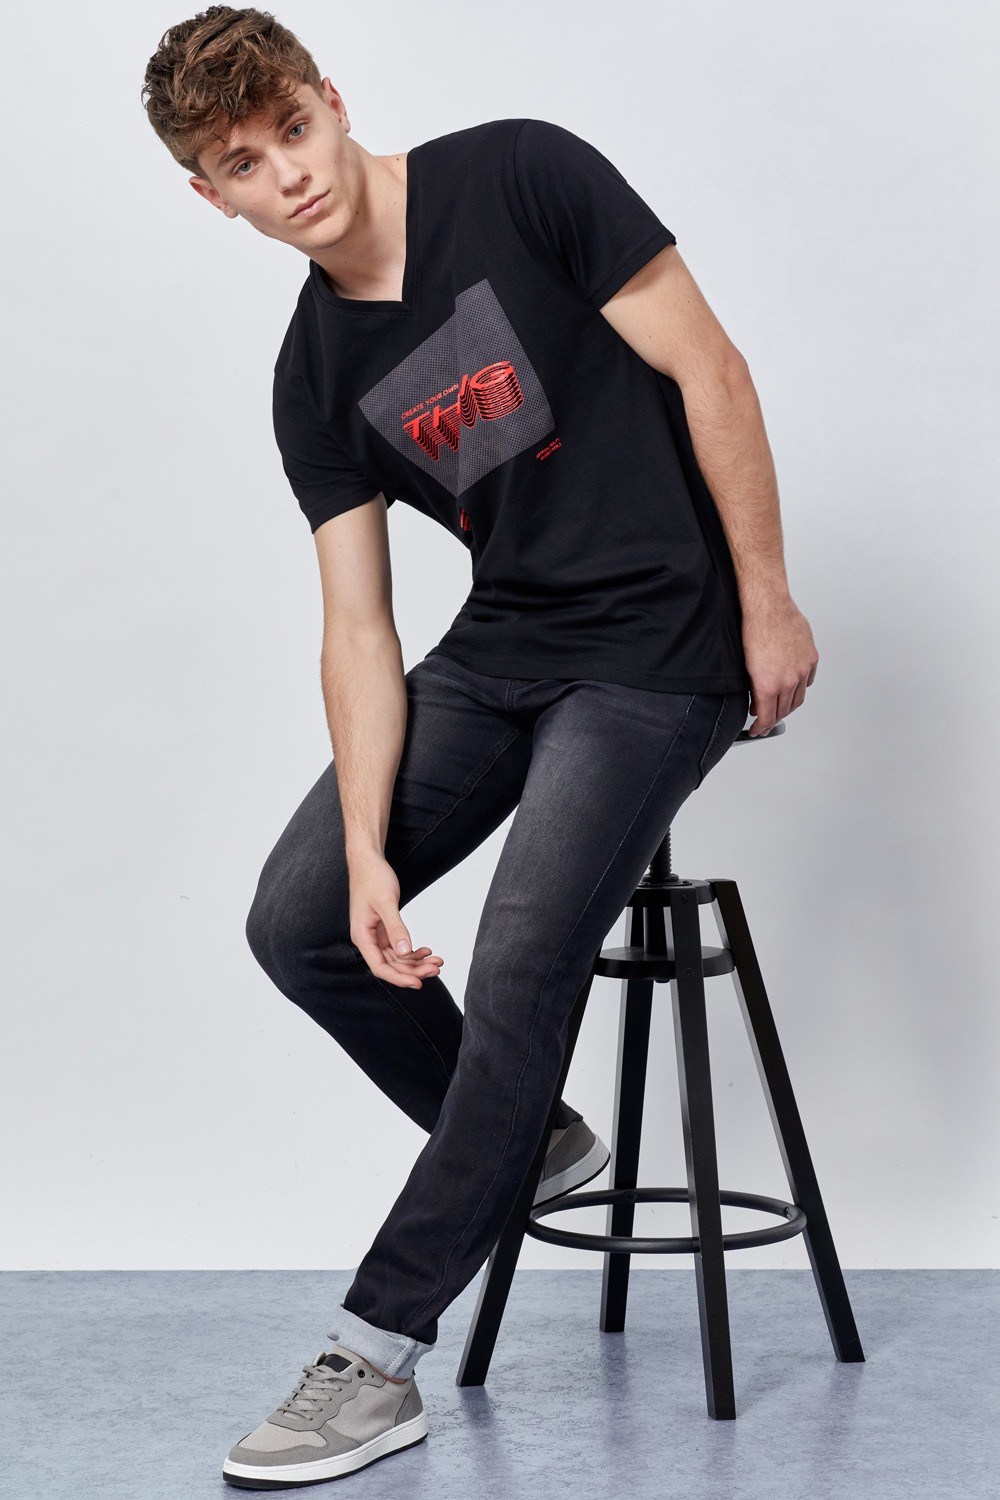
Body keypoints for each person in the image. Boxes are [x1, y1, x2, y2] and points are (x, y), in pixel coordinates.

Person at [143, 5, 818, 1487]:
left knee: (518, 965)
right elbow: (359, 629)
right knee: (299, 918)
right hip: (505, 649)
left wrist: (765, 603)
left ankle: (375, 1355)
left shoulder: (521, 173)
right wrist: (368, 850)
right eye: (243, 165)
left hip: (662, 644)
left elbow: (713, 372)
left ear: (331, 99)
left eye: (292, 130)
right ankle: (529, 1134)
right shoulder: (312, 376)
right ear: (211, 195)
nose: (288, 176)